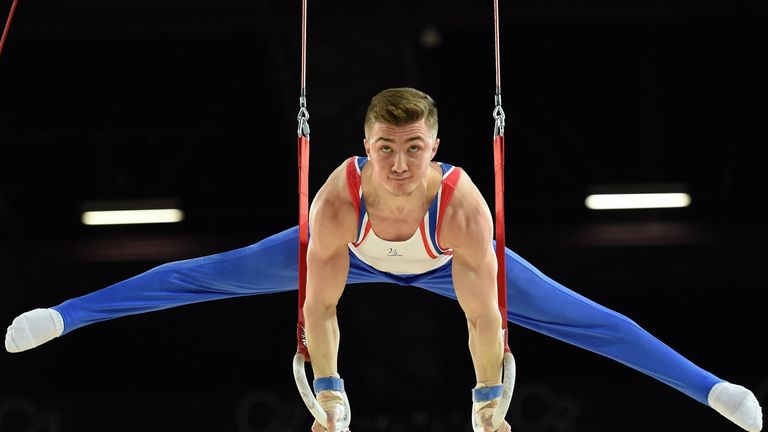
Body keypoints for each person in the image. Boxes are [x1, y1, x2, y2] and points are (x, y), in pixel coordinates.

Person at [4, 87, 762, 432]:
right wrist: (329, 392)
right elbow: (321, 308)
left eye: (414, 150)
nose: (399, 165)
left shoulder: (463, 210)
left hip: (443, 260)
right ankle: (65, 316)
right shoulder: (338, 200)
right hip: (349, 253)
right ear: (366, 150)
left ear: (436, 152)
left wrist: (487, 398)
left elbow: (482, 317)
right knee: (199, 275)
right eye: (385, 149)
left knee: (591, 320)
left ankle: (713, 391)